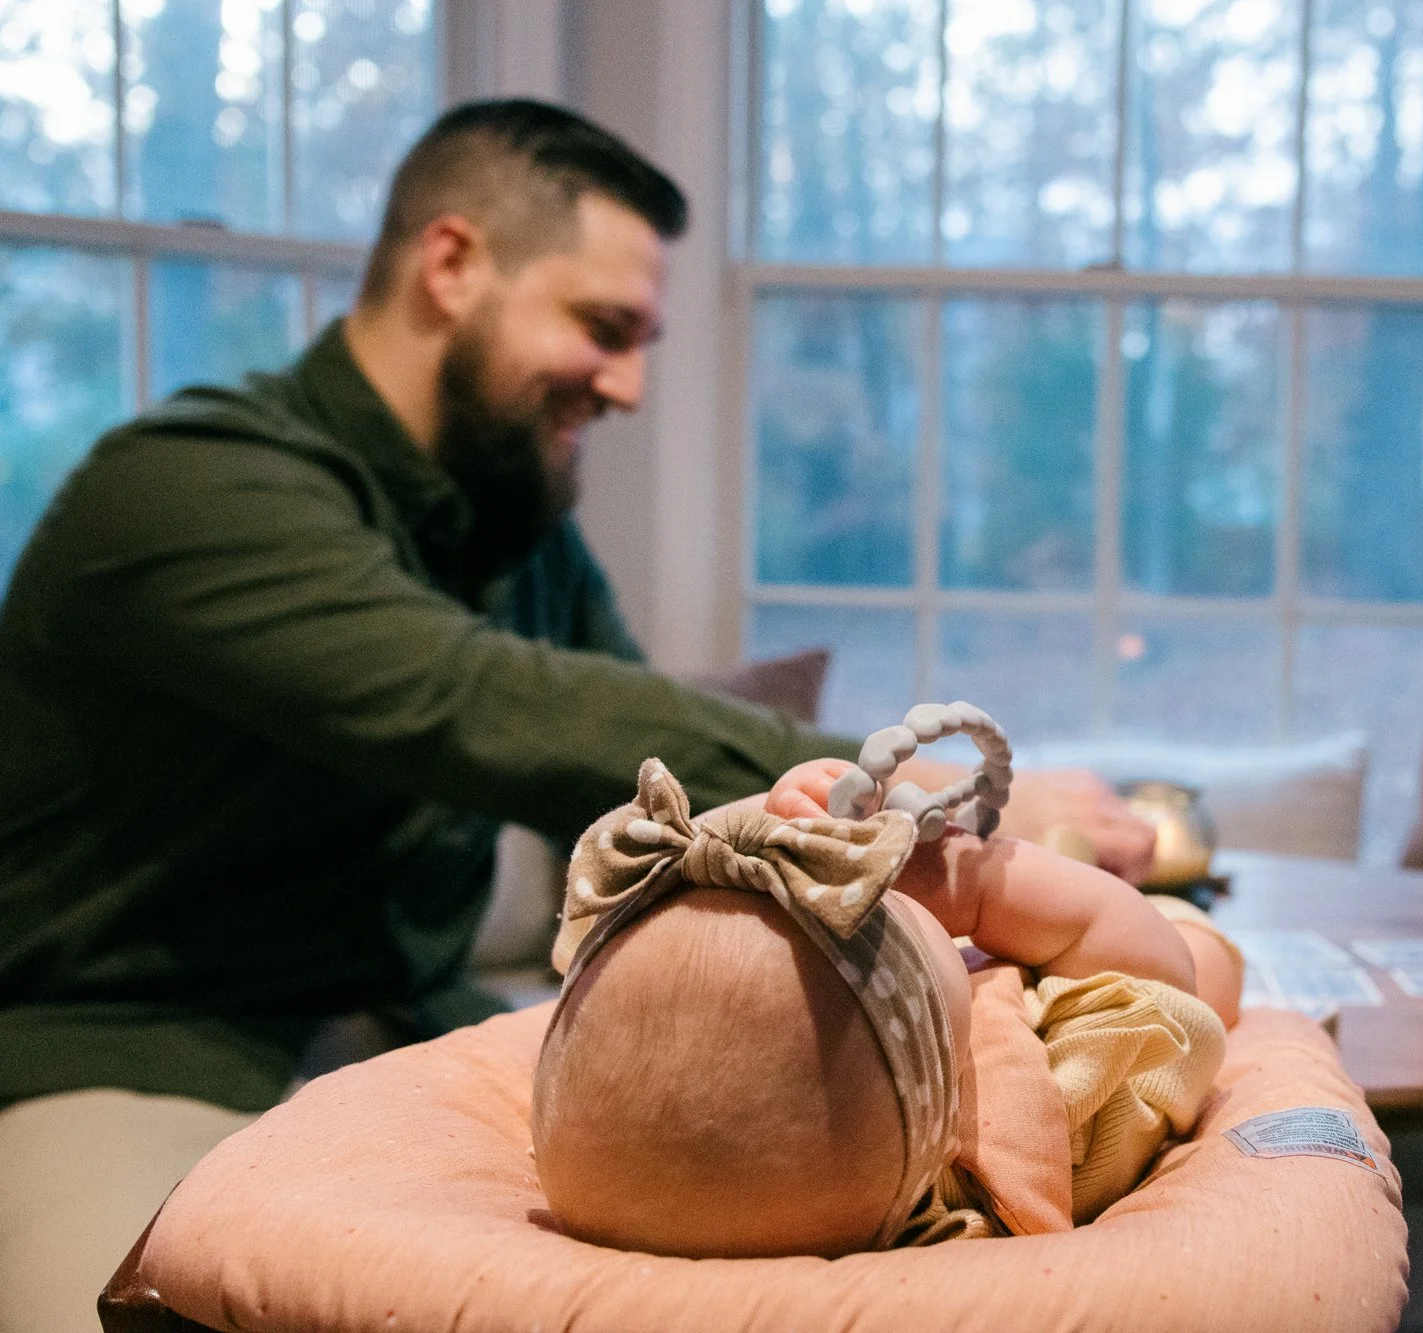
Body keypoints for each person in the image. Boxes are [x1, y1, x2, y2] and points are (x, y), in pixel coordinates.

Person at [0, 99, 1150, 1333]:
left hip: (414, 1034)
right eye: (603, 330)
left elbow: (651, 770)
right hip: (133, 1047)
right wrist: (914, 807)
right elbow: (491, 707)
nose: (632, 385)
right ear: (452, 265)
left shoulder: (515, 525)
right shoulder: (188, 488)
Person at [531, 753, 1238, 1259]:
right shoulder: (1007, 1150)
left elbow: (664, 892)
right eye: (892, 915)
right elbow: (1157, 980)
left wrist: (782, 812)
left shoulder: (621, 1142)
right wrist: (981, 892)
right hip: (1081, 956)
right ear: (945, 1102)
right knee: (1205, 958)